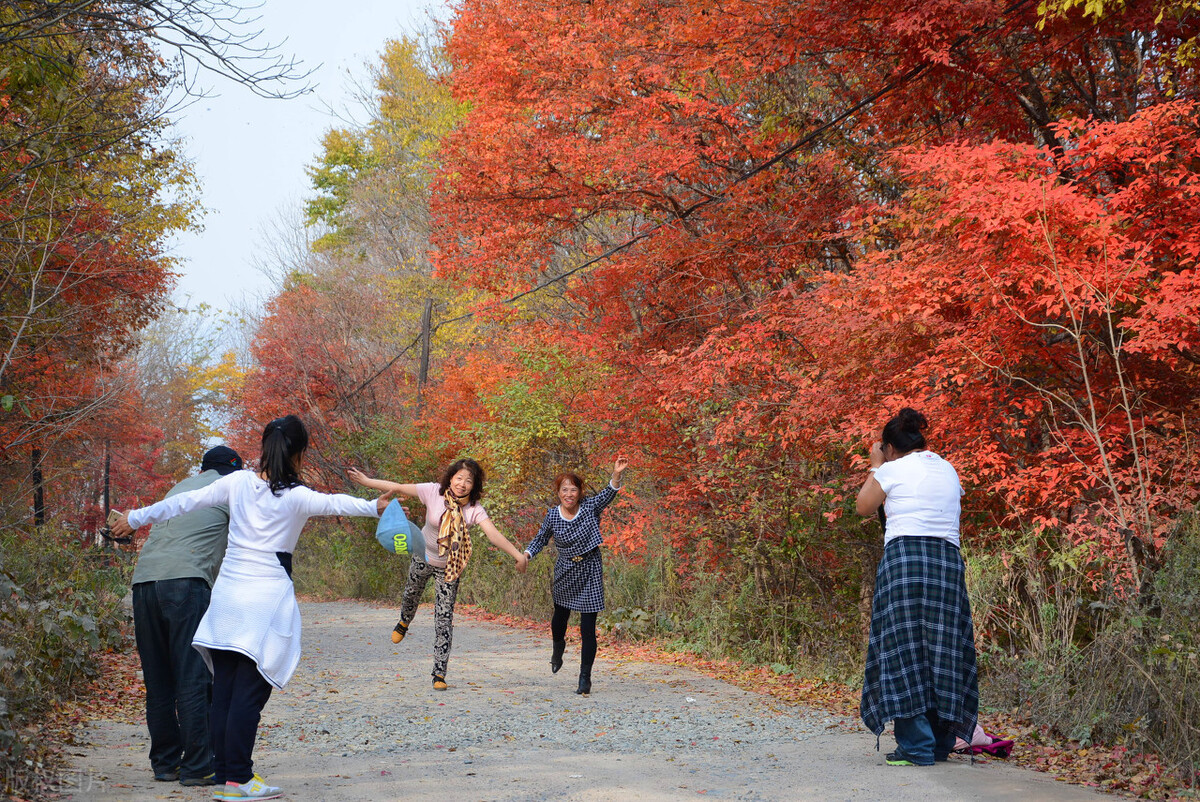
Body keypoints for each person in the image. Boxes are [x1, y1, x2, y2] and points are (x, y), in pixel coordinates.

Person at [112, 416, 391, 801]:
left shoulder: (237, 481)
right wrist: (375, 507)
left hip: (228, 599)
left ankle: (228, 776)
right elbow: (337, 503)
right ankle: (239, 777)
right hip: (265, 601)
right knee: (248, 694)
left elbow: (182, 503)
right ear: (300, 453)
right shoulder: (296, 496)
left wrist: (134, 518)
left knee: (225, 688)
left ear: (263, 446)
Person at [855, 407, 979, 767]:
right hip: (947, 561)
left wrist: (876, 465)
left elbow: (864, 507)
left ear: (891, 447)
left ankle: (915, 747)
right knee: (944, 648)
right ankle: (941, 742)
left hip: (906, 559)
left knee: (904, 649)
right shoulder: (947, 467)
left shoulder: (891, 468)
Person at [347, 459, 527, 690]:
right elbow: (399, 486)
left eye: (468, 481)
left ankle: (439, 674)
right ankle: (404, 620)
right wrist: (367, 481)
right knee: (411, 595)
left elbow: (493, 535)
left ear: (474, 485)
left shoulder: (473, 509)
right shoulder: (433, 492)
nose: (462, 484)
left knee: (444, 620)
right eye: (459, 478)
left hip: (449, 567)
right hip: (423, 555)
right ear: (450, 478)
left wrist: (518, 556)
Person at [130, 445, 243, 787]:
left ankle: (165, 764)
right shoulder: (231, 491)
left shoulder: (179, 487)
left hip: (143, 584)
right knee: (193, 676)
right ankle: (197, 766)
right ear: (233, 472)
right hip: (185, 584)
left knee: (159, 678)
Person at [524, 456, 628, 695]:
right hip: (565, 571)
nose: (568, 494)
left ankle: (585, 678)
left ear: (580, 492)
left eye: (573, 490)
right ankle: (558, 647)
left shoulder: (590, 507)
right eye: (564, 490)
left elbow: (608, 493)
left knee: (587, 628)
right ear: (558, 493)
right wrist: (526, 555)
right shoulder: (552, 515)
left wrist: (616, 474)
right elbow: (540, 539)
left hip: (590, 568)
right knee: (559, 620)